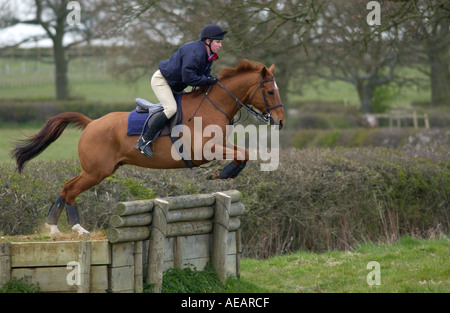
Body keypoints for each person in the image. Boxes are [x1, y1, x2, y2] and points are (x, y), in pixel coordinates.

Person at [136, 24, 227, 157]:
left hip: (176, 85)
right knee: (171, 109)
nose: (220, 45)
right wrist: (207, 80)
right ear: (208, 41)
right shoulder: (195, 53)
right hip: (162, 81)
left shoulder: (208, 55)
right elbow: (189, 78)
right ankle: (144, 141)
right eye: (218, 42)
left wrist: (212, 80)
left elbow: (203, 76)